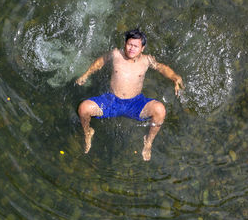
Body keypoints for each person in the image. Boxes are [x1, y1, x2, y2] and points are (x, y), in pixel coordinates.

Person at [76, 29, 184, 161]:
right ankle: (88, 132)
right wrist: (86, 74)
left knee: (160, 110)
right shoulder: (116, 54)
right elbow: (100, 61)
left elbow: (162, 68)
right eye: (129, 44)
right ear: (125, 43)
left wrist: (175, 77)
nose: (132, 48)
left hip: (135, 104)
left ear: (142, 48)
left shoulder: (147, 60)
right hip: (111, 101)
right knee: (83, 108)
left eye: (136, 46)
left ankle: (148, 141)